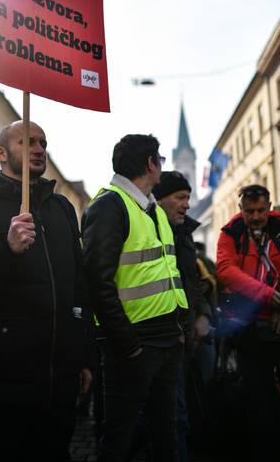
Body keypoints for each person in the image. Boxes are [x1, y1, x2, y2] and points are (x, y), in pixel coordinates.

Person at [0, 120, 94, 462]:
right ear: (1, 153)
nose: (40, 149)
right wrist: (4, 248)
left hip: (57, 385)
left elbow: (78, 290)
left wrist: (83, 359)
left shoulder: (61, 210)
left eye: (43, 142)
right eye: (28, 142)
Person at [81, 134, 189, 462]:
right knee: (118, 439)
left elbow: (168, 274)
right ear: (150, 164)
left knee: (165, 433)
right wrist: (127, 343)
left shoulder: (152, 209)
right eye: (161, 160)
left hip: (167, 339)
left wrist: (178, 327)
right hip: (131, 346)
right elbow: (97, 282)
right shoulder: (110, 205)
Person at [152, 172, 214, 461]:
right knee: (172, 420)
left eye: (189, 197)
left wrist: (202, 314)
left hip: (188, 339)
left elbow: (191, 285)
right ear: (159, 199)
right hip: (163, 342)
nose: (187, 204)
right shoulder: (150, 232)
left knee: (187, 413)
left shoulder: (185, 233)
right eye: (180, 197)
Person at [216, 184, 280, 462]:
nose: (255, 217)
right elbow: (226, 271)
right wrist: (269, 297)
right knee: (259, 399)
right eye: (249, 211)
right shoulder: (231, 234)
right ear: (240, 210)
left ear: (269, 207)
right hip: (249, 329)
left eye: (260, 211)